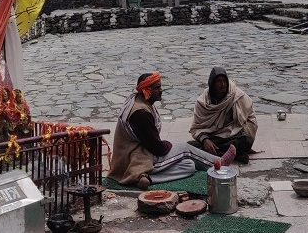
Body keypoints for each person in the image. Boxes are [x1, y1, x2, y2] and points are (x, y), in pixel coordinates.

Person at [108, 72, 236, 190]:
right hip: (135, 160)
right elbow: (158, 148)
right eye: (157, 88)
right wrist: (169, 144)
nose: (161, 90)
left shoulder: (138, 101)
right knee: (185, 148)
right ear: (147, 90)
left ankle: (148, 179)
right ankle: (219, 164)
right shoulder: (141, 113)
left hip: (136, 155)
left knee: (189, 165)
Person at [190, 67, 258, 164]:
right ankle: (233, 154)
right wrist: (205, 140)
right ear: (212, 83)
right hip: (215, 138)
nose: (223, 85)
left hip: (236, 135)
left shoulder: (237, 95)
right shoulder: (203, 102)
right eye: (219, 81)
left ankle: (219, 154)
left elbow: (250, 119)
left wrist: (243, 131)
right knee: (190, 146)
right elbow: (196, 128)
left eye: (224, 81)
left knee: (244, 141)